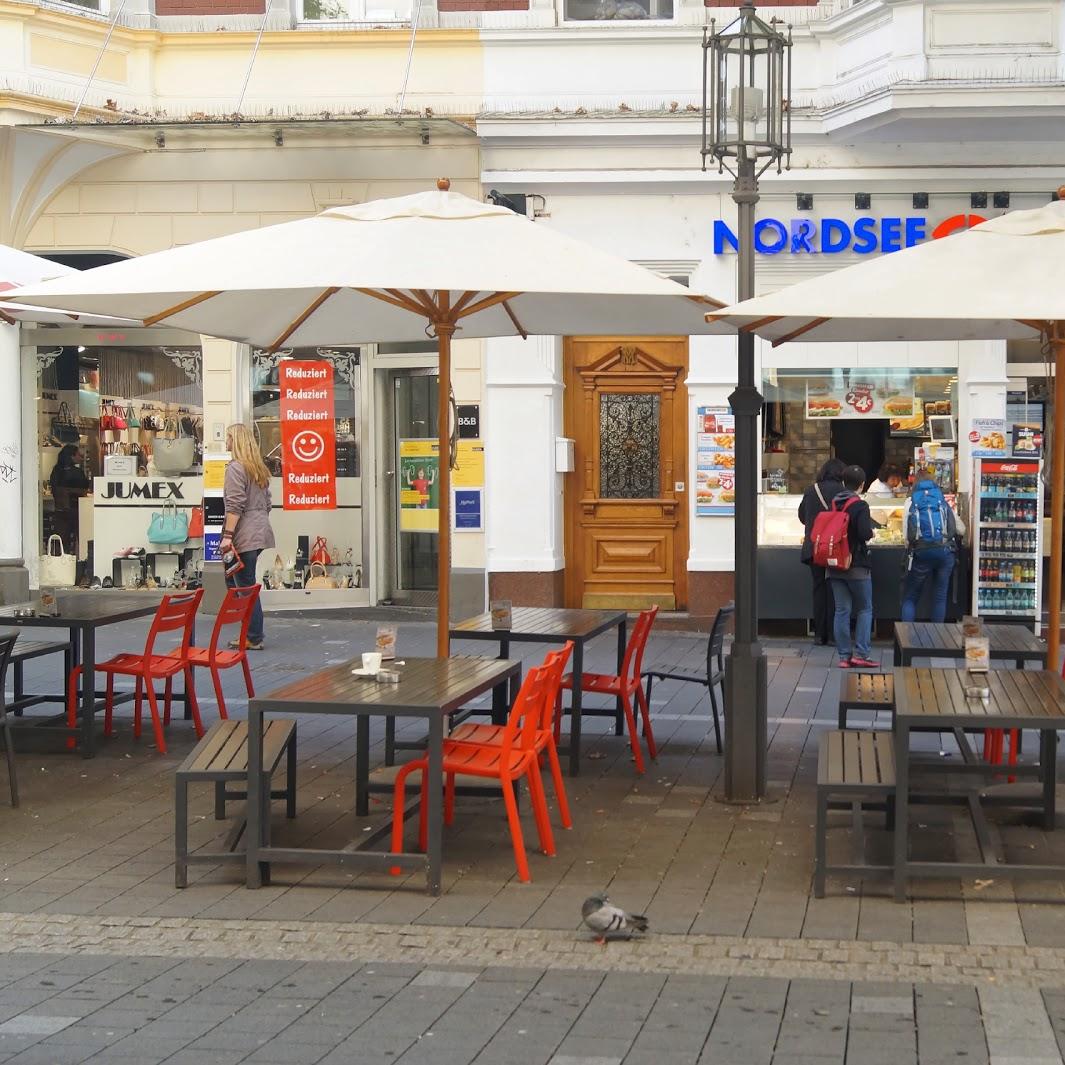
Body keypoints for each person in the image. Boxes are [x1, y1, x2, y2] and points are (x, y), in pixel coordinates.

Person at [221, 424, 275, 651]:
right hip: (260, 530)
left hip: (244, 533)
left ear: (237, 441)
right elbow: (268, 503)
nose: (226, 443)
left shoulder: (236, 468)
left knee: (244, 585)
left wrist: (227, 536)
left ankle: (253, 636)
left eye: (228, 438)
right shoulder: (258, 469)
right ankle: (251, 632)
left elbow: (235, 505)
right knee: (244, 582)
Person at [827, 465, 877, 669]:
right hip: (856, 564)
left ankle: (843, 656)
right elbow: (864, 533)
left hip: (834, 564)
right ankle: (861, 654)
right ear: (862, 484)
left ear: (842, 482)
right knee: (865, 608)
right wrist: (872, 533)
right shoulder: (860, 505)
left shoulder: (834, 502)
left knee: (841, 610)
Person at [900, 476, 963, 623]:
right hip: (944, 553)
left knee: (911, 597)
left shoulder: (910, 502)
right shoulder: (941, 501)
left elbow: (906, 537)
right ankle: (937, 638)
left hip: (921, 553)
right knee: (940, 597)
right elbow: (961, 529)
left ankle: (906, 638)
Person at [799, 458, 846, 645]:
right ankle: (834, 635)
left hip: (815, 547)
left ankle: (819, 634)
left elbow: (802, 516)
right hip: (835, 548)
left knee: (818, 588)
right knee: (835, 589)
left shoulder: (812, 490)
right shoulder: (844, 492)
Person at [49, 444, 91, 555]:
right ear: (72, 456)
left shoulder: (56, 470)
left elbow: (54, 487)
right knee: (80, 537)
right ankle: (78, 561)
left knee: (62, 539)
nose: (81, 457)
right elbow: (85, 487)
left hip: (60, 509)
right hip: (76, 509)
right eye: (78, 455)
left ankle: (60, 560)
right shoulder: (77, 472)